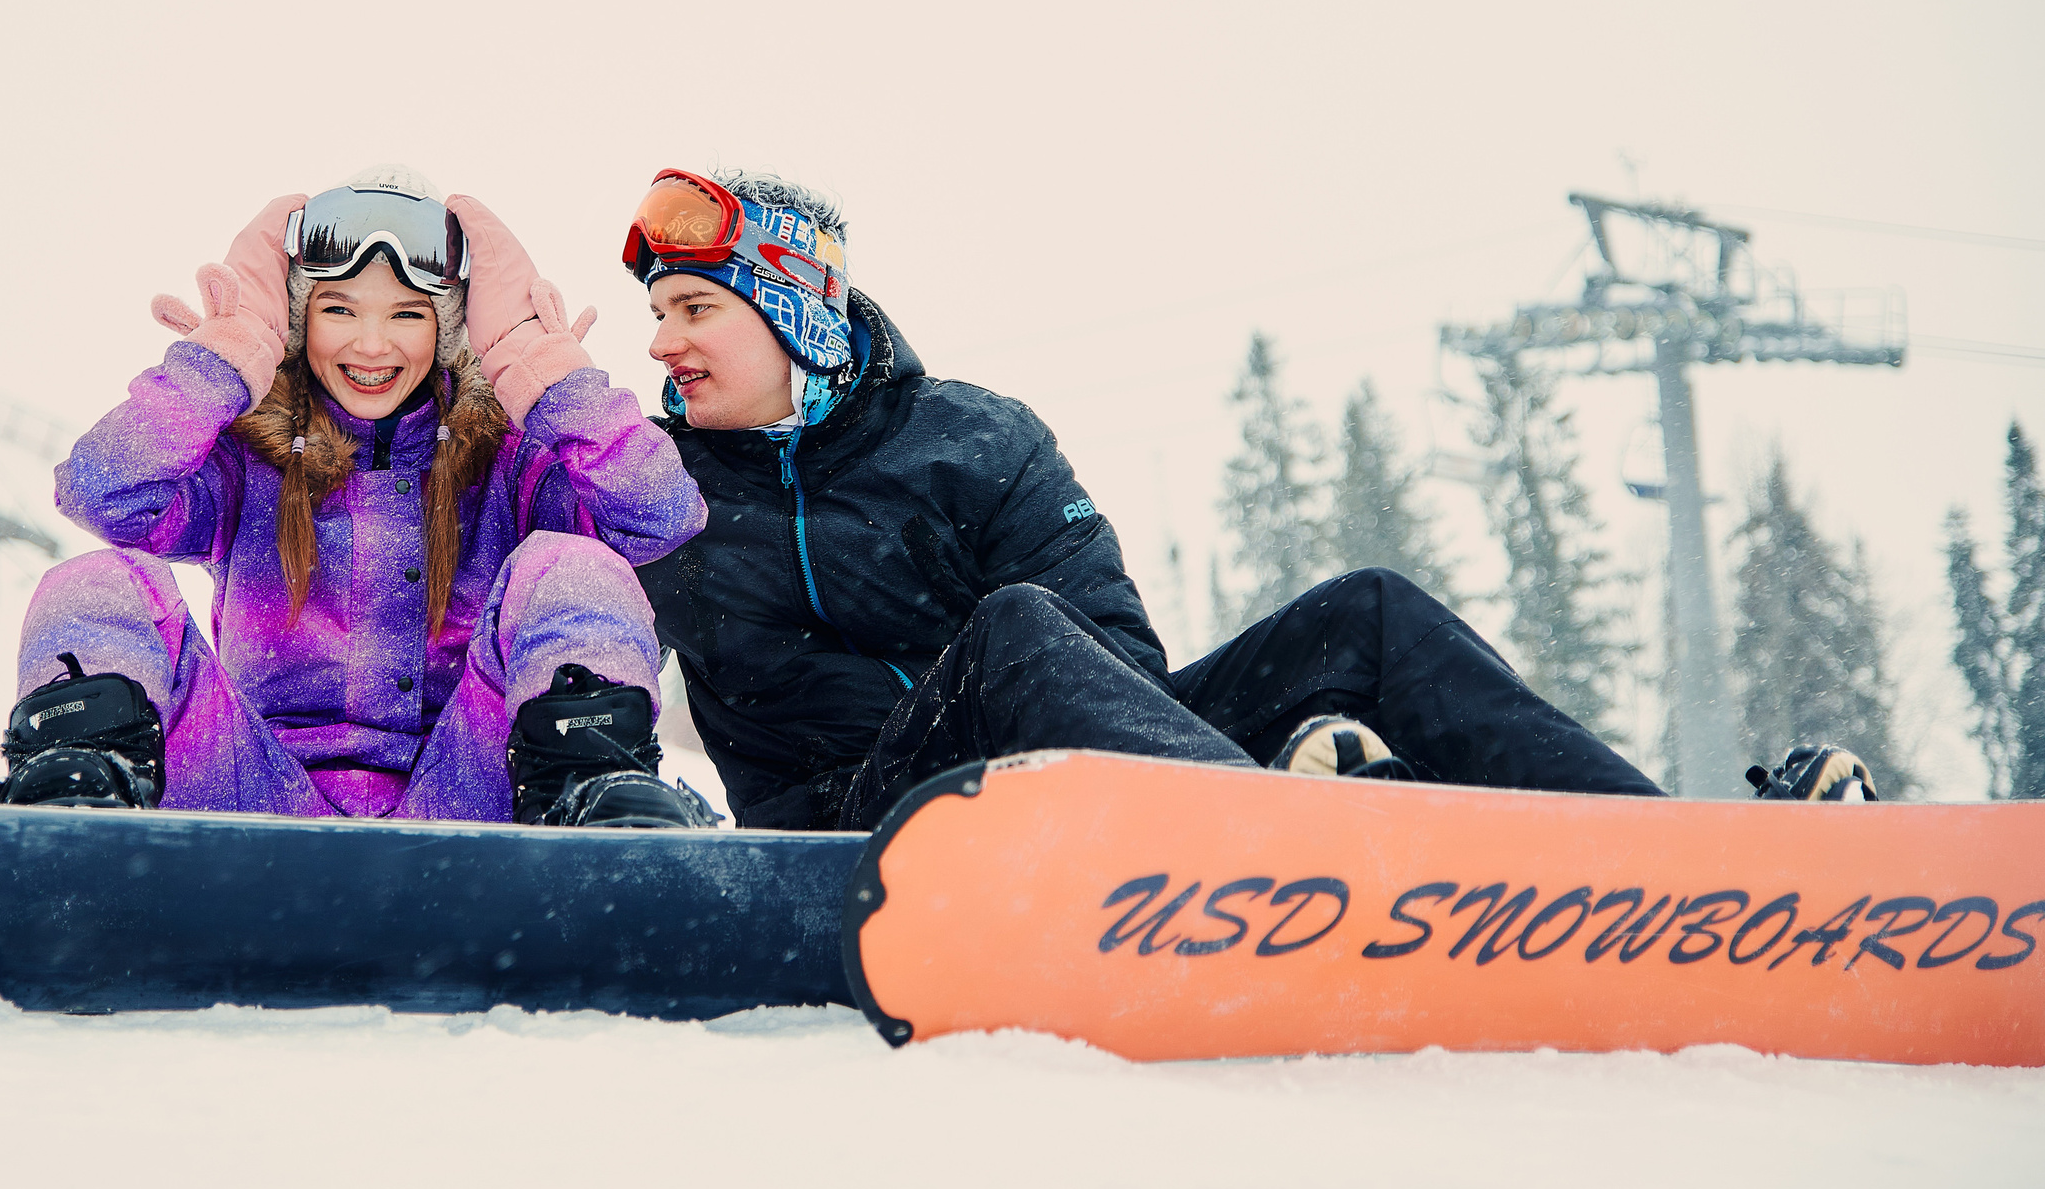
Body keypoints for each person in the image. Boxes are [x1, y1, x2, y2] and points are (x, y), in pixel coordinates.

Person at [618, 168, 1882, 832]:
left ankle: (1668, 857)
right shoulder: (652, 491)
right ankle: (1293, 837)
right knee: (1005, 631)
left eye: (696, 309)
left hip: (1105, 777)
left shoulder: (974, 441)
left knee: (1367, 616)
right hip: (861, 833)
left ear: (797, 318)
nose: (664, 343)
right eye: (656, 314)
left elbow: (1109, 659)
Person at [0, 165, 717, 828]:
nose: (371, 345)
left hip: (466, 806)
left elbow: (657, 514)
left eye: (406, 314)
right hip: (254, 807)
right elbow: (103, 491)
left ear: (450, 328)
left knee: (572, 566)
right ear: (300, 323)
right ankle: (73, 813)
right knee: (101, 583)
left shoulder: (507, 460)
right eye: (339, 310)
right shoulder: (248, 460)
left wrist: (539, 360)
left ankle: (596, 807)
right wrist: (226, 354)